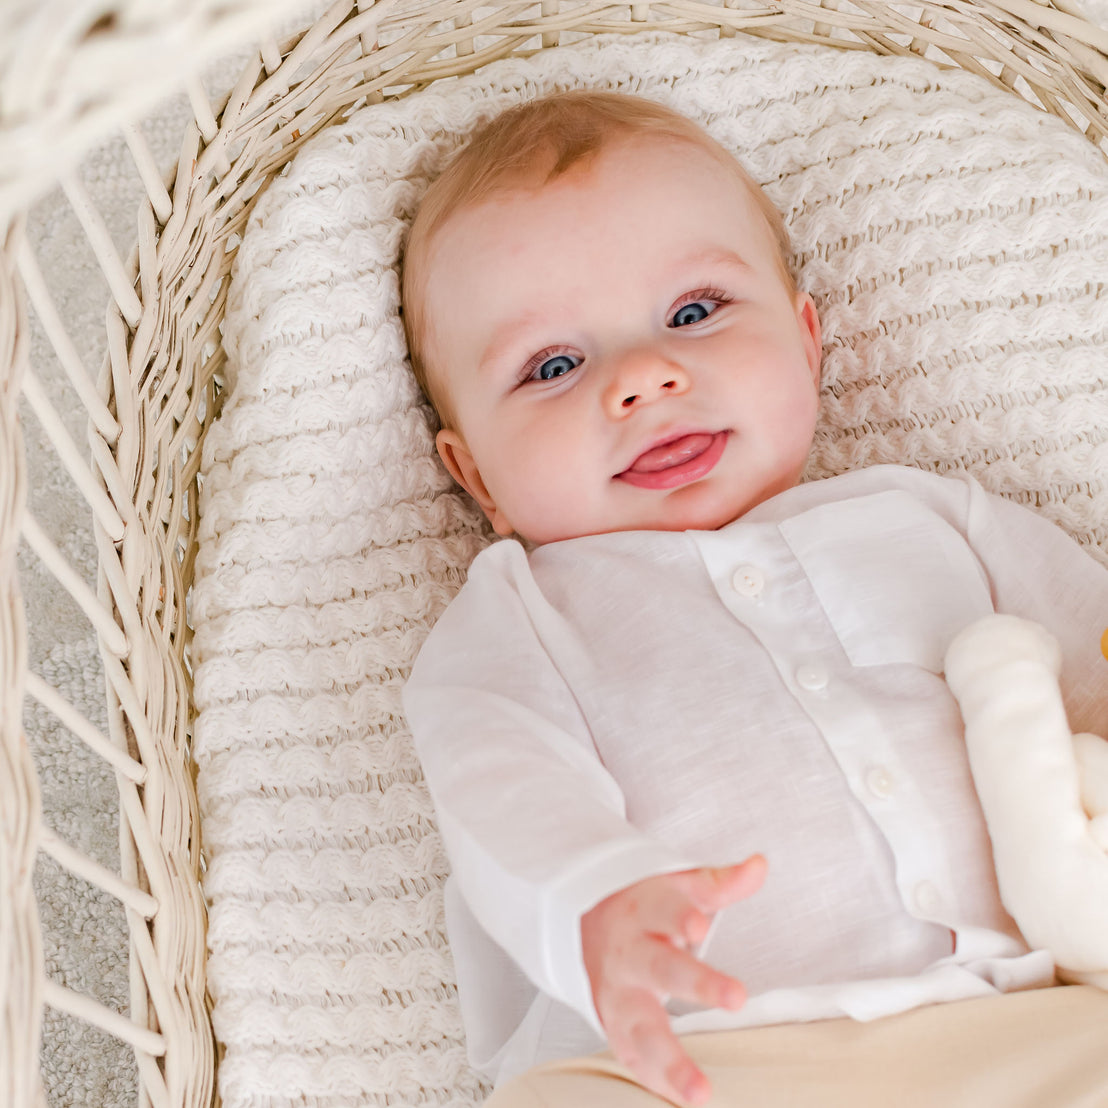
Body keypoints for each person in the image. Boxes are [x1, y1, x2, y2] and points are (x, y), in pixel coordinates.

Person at [399, 90, 1108, 1106]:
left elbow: (1090, 661)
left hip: (1023, 1017)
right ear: (478, 480)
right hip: (700, 1059)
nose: (644, 377)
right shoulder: (518, 618)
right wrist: (596, 905)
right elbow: (500, 790)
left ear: (807, 340)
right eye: (552, 365)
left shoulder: (931, 519)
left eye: (693, 313)